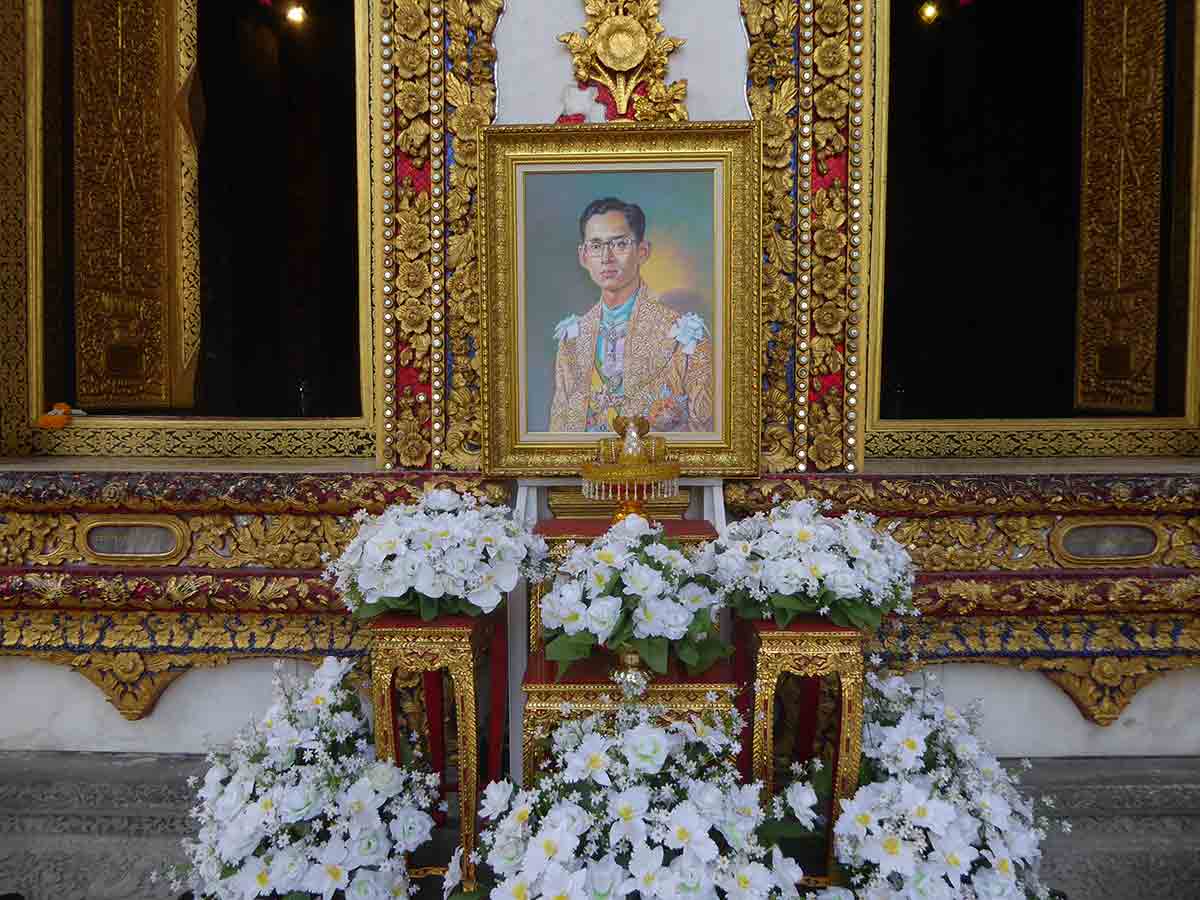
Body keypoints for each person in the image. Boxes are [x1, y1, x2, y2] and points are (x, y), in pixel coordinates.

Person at [548, 197, 714, 433]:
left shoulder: (685, 337)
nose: (606, 258)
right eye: (596, 246)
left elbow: (705, 439)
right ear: (583, 256)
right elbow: (559, 435)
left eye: (619, 244)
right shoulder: (571, 340)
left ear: (643, 251)